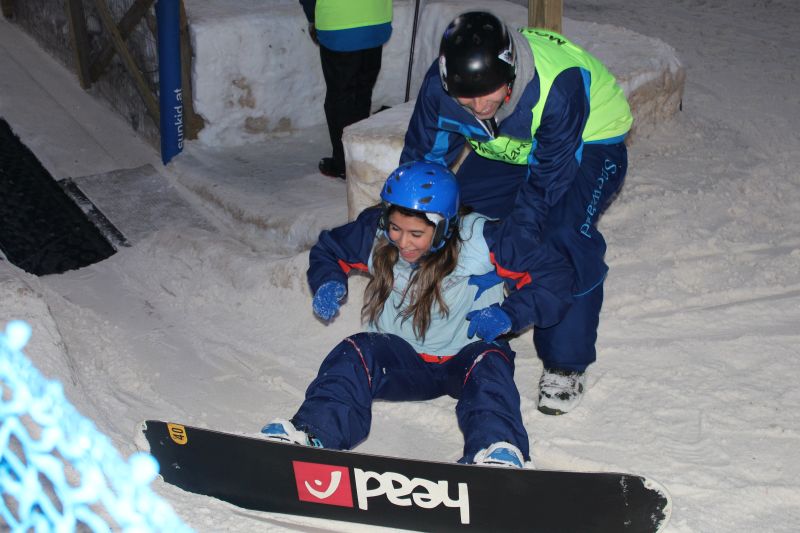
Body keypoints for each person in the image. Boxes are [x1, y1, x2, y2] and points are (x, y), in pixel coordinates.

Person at [261, 160, 575, 466]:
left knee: (490, 366)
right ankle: (311, 433)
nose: (403, 242)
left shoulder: (483, 239)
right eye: (396, 228)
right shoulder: (375, 234)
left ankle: (496, 451)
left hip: (466, 356)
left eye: (416, 234)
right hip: (402, 359)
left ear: (444, 227)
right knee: (355, 350)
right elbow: (331, 250)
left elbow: (554, 276)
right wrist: (328, 281)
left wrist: (510, 313)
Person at [401, 11, 633, 416]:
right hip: (508, 145)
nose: (476, 107)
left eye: (488, 94)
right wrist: (414, 219)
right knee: (459, 224)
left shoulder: (559, 85)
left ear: (509, 74)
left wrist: (521, 234)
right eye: (465, 100)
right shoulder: (442, 88)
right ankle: (465, 327)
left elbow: (548, 181)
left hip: (588, 140)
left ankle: (566, 361)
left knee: (559, 235)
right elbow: (424, 162)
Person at [299, 0, 393, 179]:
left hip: (339, 21)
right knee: (363, 91)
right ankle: (359, 155)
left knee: (341, 95)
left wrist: (313, 16)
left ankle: (343, 163)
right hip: (376, 19)